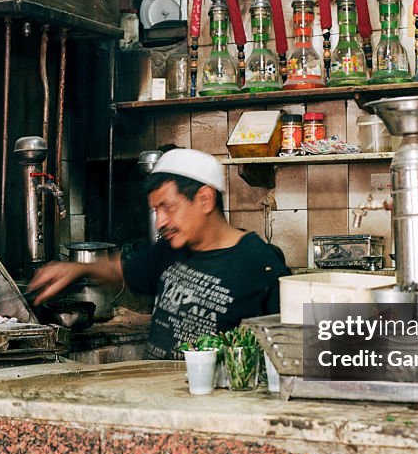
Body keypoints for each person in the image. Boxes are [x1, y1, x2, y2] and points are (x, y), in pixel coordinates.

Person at [28, 148, 290, 359]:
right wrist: (79, 269)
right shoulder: (169, 251)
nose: (160, 222)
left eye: (168, 208)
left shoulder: (261, 264)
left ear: (205, 200)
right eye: (156, 211)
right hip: (160, 396)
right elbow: (120, 268)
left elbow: (294, 351)